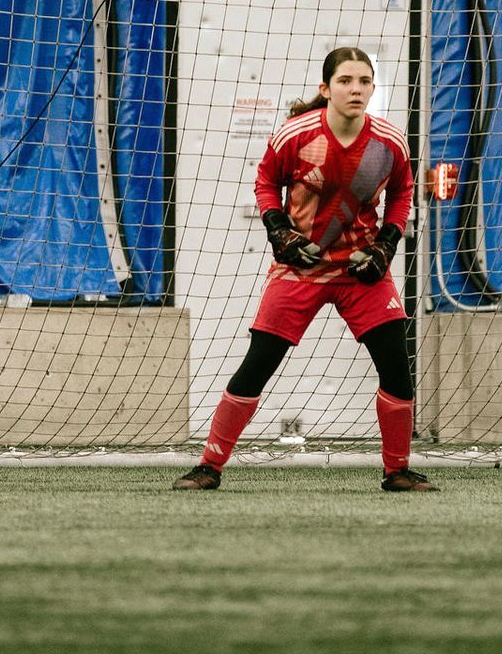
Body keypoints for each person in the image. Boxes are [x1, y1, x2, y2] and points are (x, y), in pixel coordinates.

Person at [173, 46, 435, 494]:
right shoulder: (295, 134)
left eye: (364, 82)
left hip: (361, 273)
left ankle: (397, 472)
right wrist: (280, 234)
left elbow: (403, 192)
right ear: (325, 88)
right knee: (257, 365)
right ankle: (208, 467)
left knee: (396, 367)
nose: (356, 89)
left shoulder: (389, 141)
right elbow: (265, 182)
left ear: (373, 88)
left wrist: (385, 247)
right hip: (300, 270)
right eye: (346, 81)